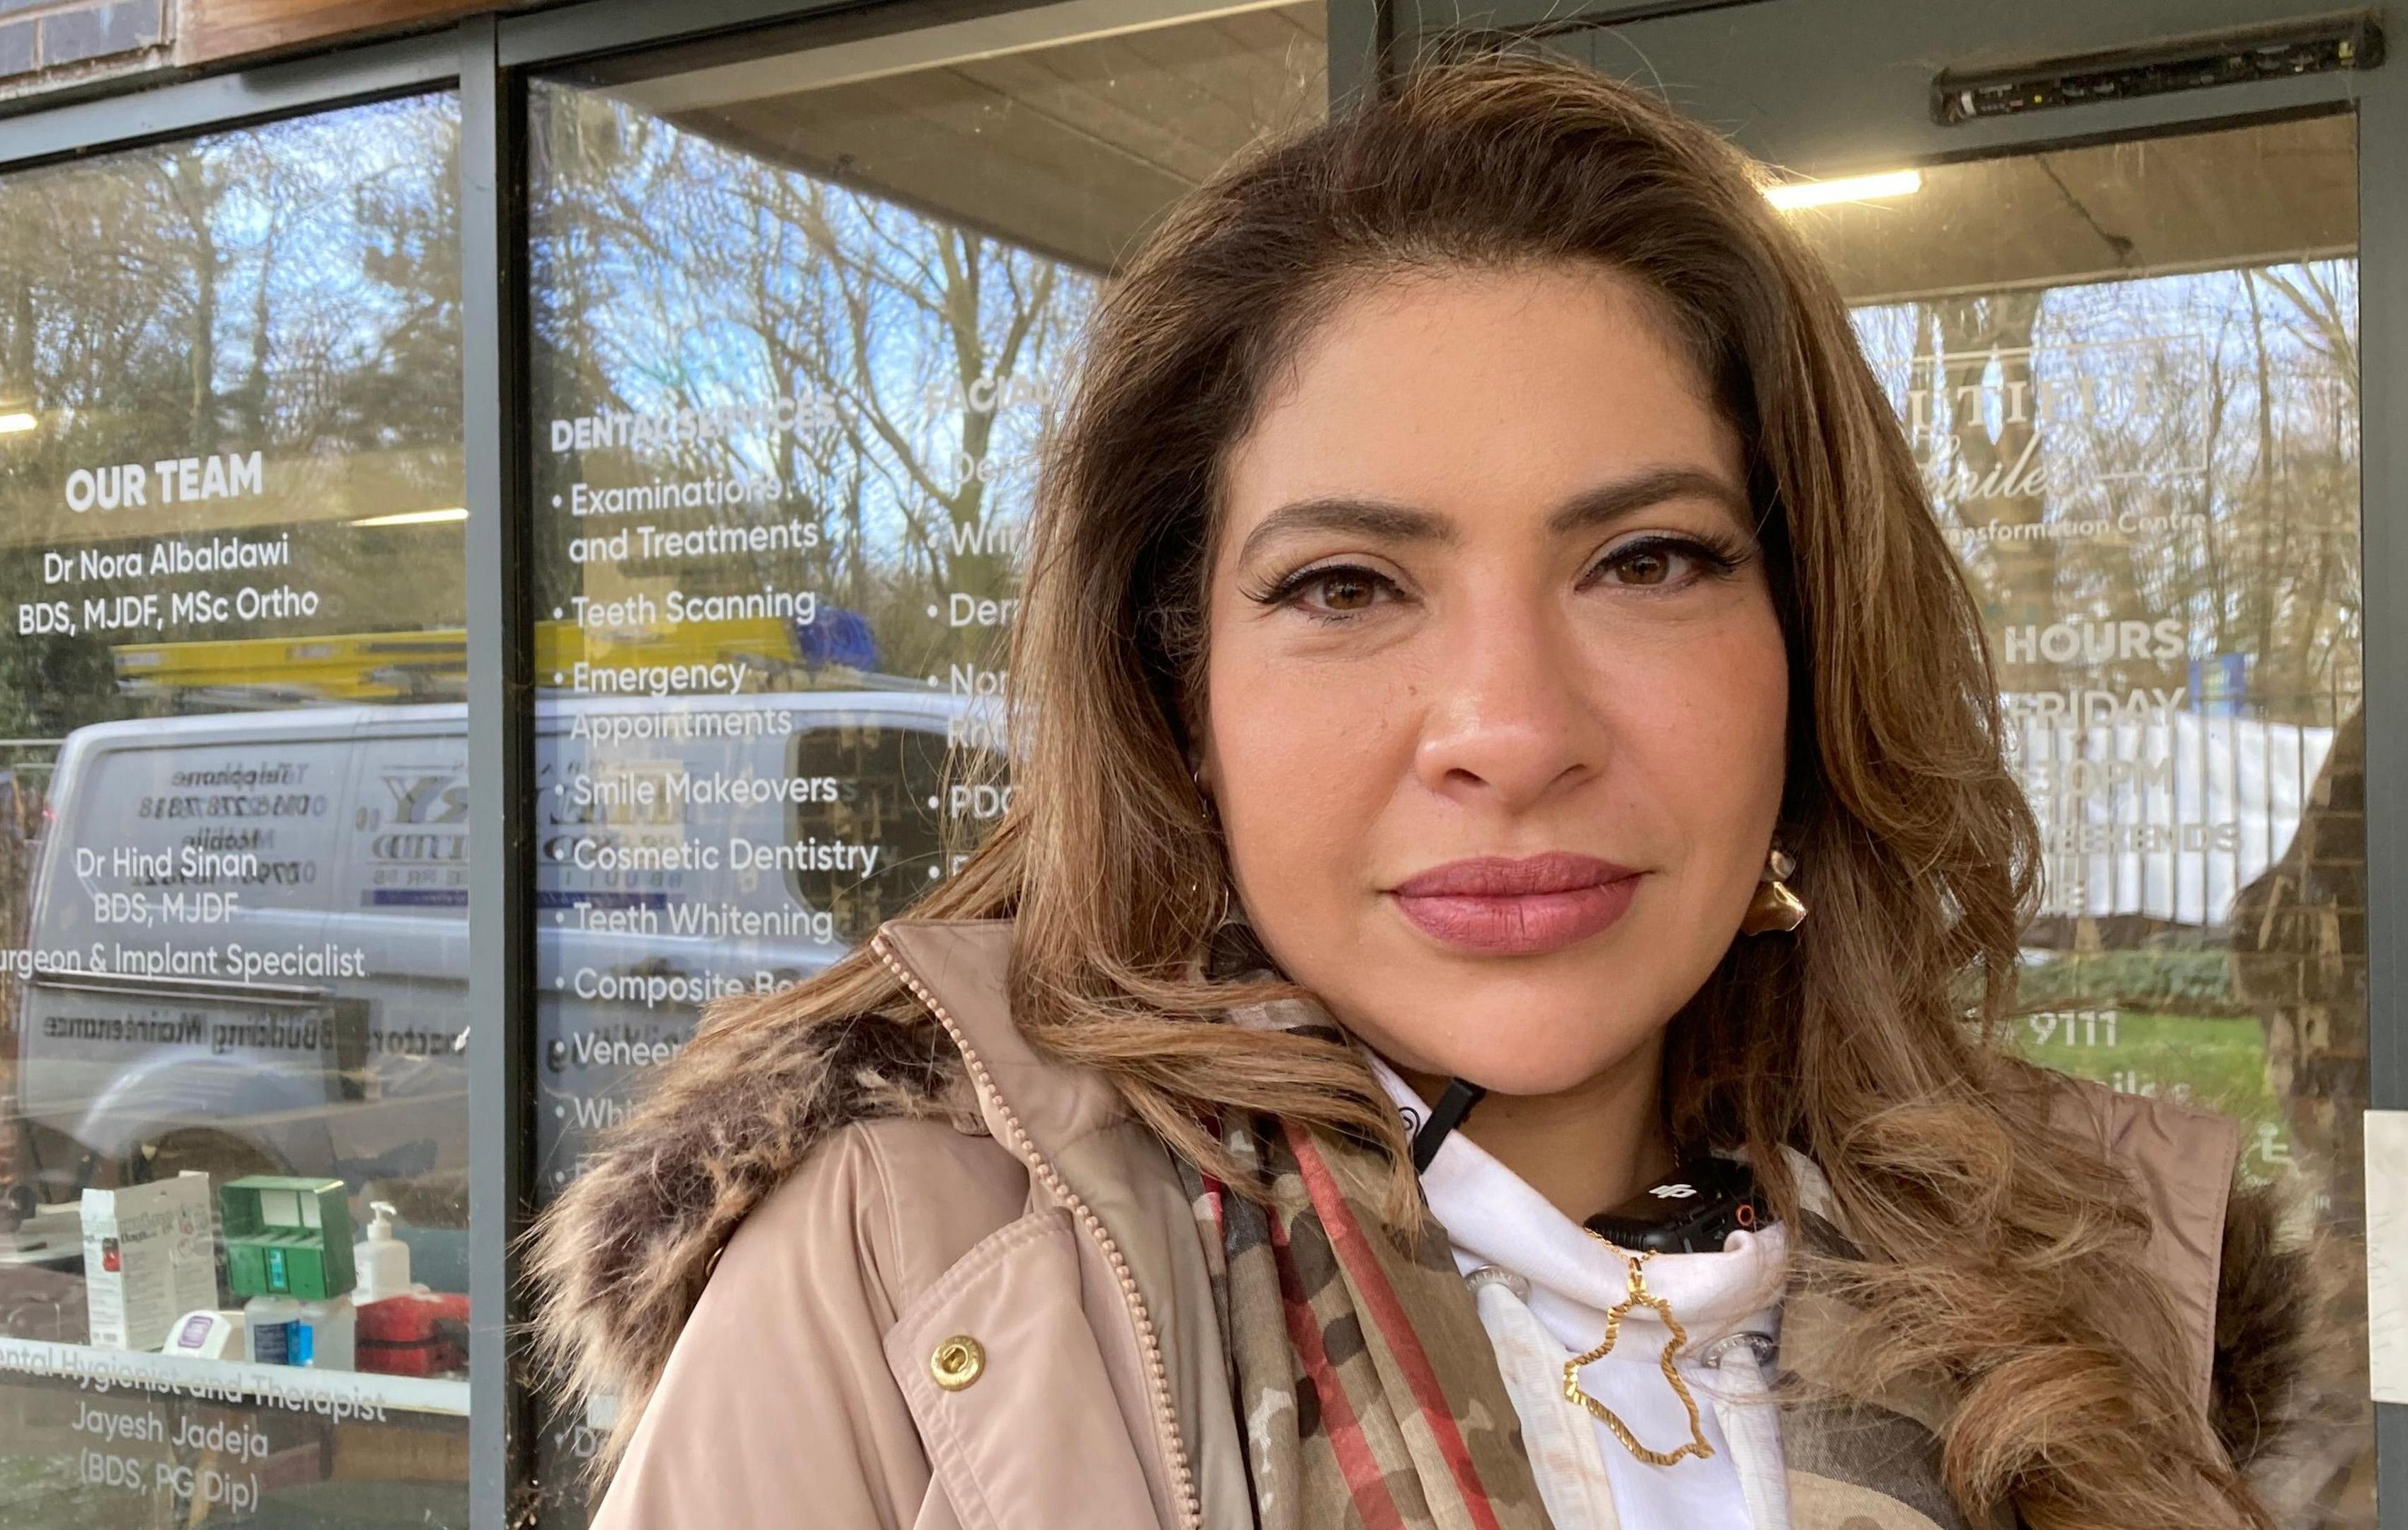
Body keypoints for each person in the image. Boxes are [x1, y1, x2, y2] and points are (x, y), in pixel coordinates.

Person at [525, 47, 2344, 1530]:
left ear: (1808, 646)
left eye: (1647, 560)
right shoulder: (914, 1273)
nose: (1510, 727)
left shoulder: (2118, 1271)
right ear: (1183, 697)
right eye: (1346, 587)